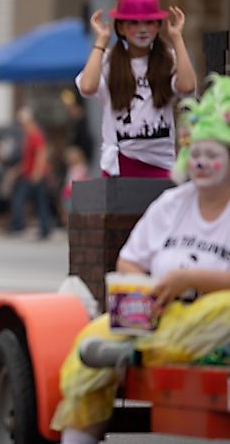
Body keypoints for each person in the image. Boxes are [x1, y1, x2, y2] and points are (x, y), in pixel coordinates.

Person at [51, 75, 230, 444]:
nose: (201, 163)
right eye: (196, 154)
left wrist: (191, 279)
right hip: (159, 318)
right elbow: (130, 262)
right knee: (88, 350)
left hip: (218, 317)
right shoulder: (172, 203)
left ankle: (130, 352)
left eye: (212, 155)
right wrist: (146, 291)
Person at [77, 0, 196, 178]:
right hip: (120, 162)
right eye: (134, 23)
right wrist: (101, 40)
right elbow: (87, 87)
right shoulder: (107, 61)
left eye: (149, 22)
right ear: (121, 27)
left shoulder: (168, 60)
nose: (142, 29)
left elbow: (188, 86)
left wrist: (177, 38)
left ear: (158, 26)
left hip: (162, 163)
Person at [8, 107, 52, 239]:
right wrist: (17, 171)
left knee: (23, 200)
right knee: (39, 202)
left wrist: (37, 171)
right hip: (28, 174)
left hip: (34, 175)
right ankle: (43, 228)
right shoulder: (28, 136)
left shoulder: (35, 135)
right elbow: (27, 159)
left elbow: (41, 153)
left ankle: (20, 225)